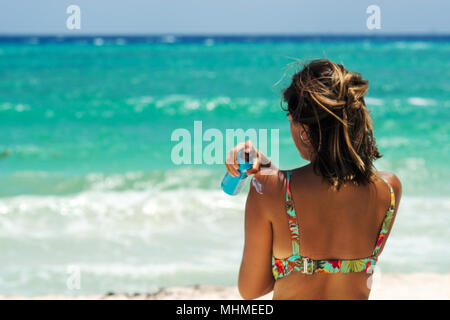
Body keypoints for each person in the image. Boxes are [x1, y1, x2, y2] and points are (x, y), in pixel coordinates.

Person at [225, 59, 402, 300]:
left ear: (304, 132)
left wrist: (267, 179)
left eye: (291, 120)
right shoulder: (389, 189)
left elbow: (251, 289)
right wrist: (270, 172)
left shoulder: (267, 191)